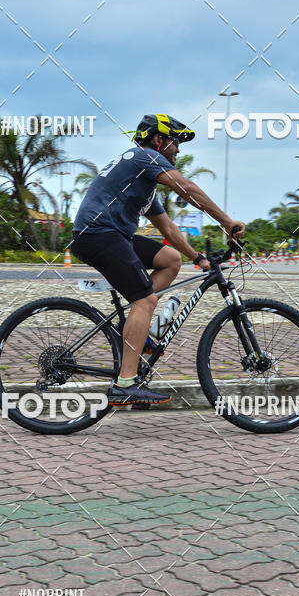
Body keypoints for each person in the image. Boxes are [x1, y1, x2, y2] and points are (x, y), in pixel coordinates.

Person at [71, 114, 245, 406]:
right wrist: (227, 222)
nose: (178, 150)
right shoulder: (144, 158)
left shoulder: (142, 180)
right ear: (158, 141)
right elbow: (186, 189)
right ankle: (124, 384)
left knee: (170, 259)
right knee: (145, 301)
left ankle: (140, 331)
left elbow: (168, 229)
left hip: (109, 234)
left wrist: (198, 257)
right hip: (99, 234)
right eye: (175, 143)